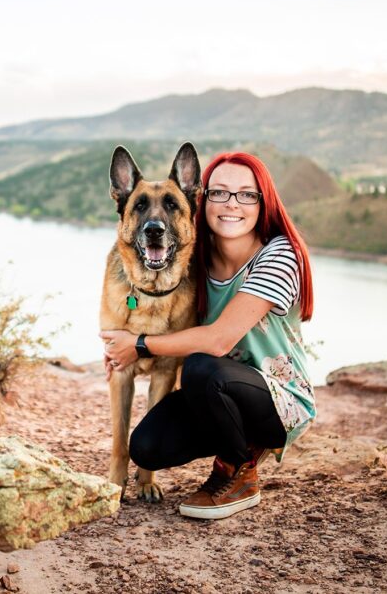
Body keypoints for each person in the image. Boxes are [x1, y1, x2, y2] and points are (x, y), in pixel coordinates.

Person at [100, 151, 316, 520]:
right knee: (147, 447)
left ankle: (238, 472)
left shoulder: (280, 256)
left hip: (276, 401)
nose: (232, 204)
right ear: (205, 199)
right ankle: (147, 464)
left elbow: (217, 340)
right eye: (221, 193)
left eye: (246, 195)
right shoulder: (196, 256)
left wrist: (137, 345)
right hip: (214, 395)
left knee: (202, 364)